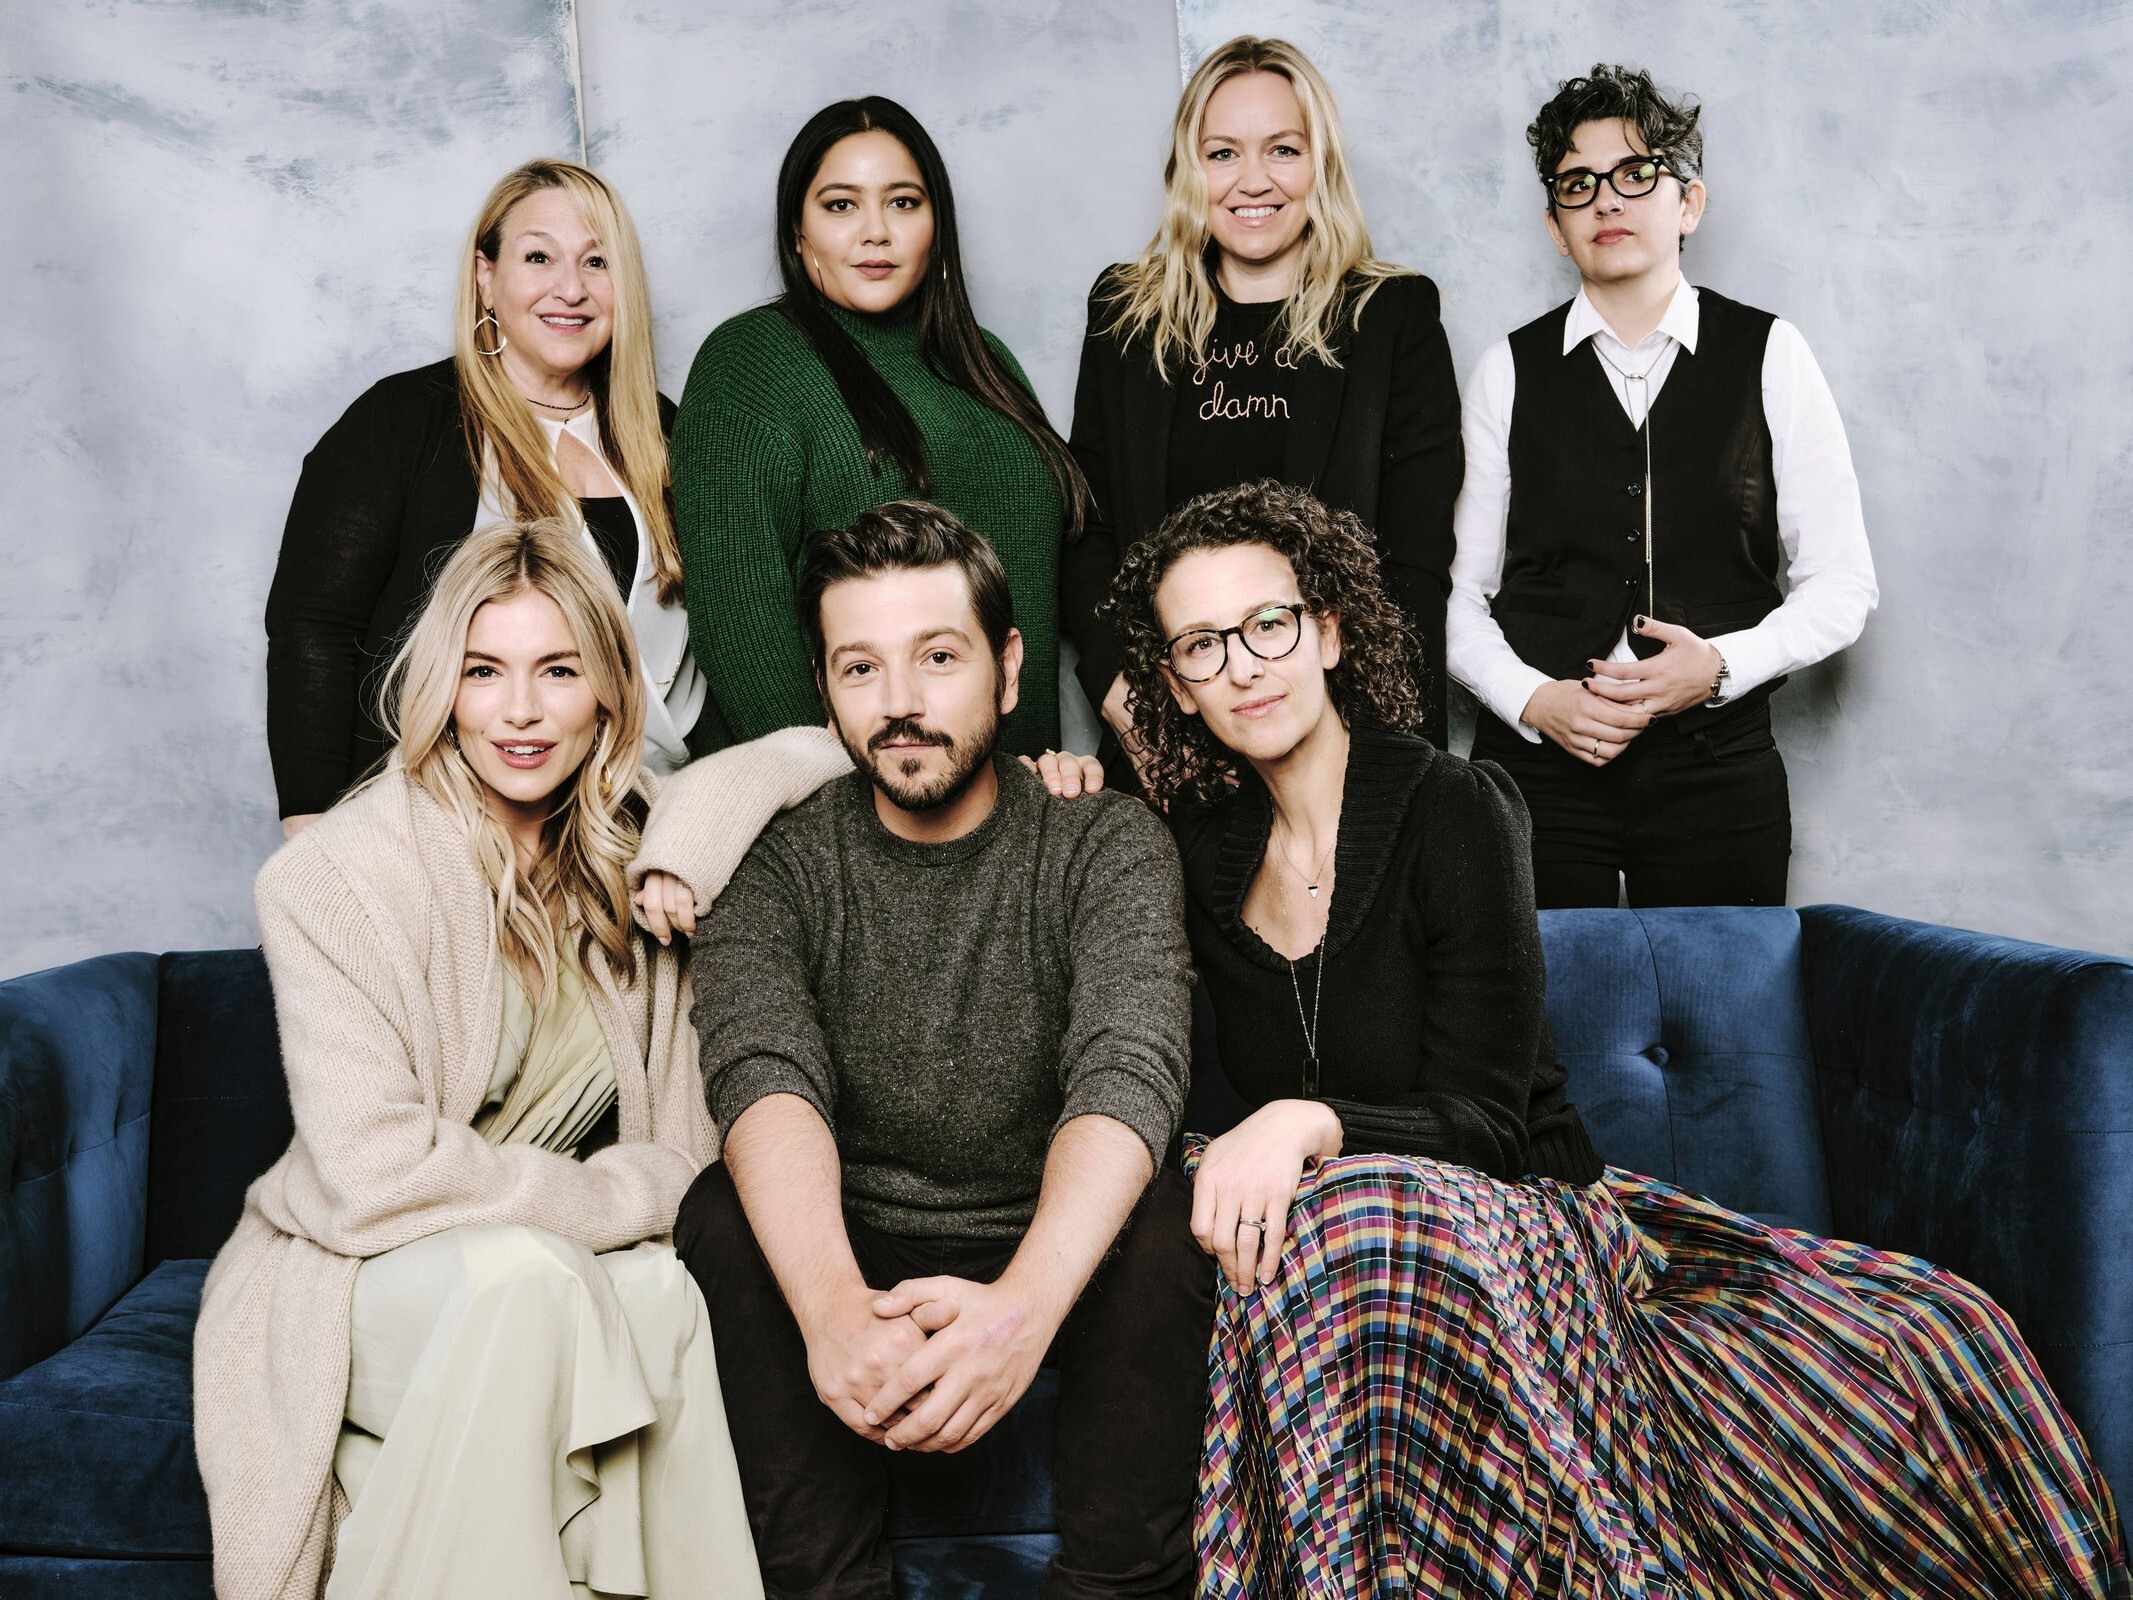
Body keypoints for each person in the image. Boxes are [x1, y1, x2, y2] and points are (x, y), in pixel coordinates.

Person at [1103, 480, 2126, 1596]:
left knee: (1354, 1223)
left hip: (1521, 1217)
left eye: (1268, 623)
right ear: (1176, 684)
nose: (1242, 666)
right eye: (1200, 645)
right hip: (1348, 1256)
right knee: (1303, 1231)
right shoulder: (1193, 854)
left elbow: (1487, 1123)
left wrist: (1308, 1120)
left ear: (1331, 631)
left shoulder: (1455, 807)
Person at [195, 521, 838, 1600]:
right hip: (361, 1277)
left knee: (663, 1296)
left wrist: (693, 841)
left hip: (544, 1272)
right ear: (443, 689)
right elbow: (373, 1176)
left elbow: (828, 748)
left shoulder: (641, 862)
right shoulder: (334, 878)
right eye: (484, 671)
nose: (521, 711)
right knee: (532, 1281)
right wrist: (619, 1196)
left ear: (609, 692)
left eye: (558, 671)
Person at [632, 501, 1214, 1599]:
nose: (899, 702)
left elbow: (1128, 1068)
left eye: (937, 658)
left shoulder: (1105, 839)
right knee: (720, 1208)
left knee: (1167, 1213)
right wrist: (831, 1313)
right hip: (858, 1236)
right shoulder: (772, 862)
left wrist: (1021, 1315)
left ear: (1008, 668)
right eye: (861, 668)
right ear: (826, 692)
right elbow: (762, 1077)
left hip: (1055, 1237)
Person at [1447, 64, 1878, 909]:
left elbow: (1842, 584)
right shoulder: (1506, 371)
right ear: (1555, 227)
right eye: (1578, 184)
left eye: (1635, 173)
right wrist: (1534, 701)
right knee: (1537, 995)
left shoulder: (1770, 353)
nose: (1606, 200)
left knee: (1718, 989)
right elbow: (1455, 596)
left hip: (1717, 772)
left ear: (1688, 204)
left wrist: (1718, 667)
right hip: (1537, 773)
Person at [265, 159, 706, 837]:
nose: (571, 289)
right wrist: (313, 829)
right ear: (485, 276)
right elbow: (314, 630)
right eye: (539, 257)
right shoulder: (402, 421)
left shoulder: (667, 433)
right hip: (439, 828)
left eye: (597, 262)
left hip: (642, 829)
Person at [1060, 34, 1462, 775]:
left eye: (1282, 149)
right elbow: (1091, 528)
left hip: (1340, 733)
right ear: (1189, 170)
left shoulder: (1390, 315)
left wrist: (1383, 758)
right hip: (1168, 730)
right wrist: (1123, 696)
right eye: (1222, 153)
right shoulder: (1126, 314)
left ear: (1320, 164)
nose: (1253, 181)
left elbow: (1413, 561)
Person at [672, 97, 1085, 759]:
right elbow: (737, 618)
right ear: (797, 231)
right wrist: (835, 801)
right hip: (856, 795)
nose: (876, 232)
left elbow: (1040, 586)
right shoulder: (751, 362)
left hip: (1020, 787)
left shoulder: (985, 361)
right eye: (841, 205)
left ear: (936, 225)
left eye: (903, 202)